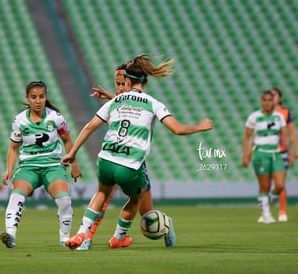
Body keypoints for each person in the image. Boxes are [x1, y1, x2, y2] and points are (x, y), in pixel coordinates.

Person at [61, 55, 213, 249]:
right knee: (135, 199)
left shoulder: (116, 101)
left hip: (106, 160)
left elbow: (90, 127)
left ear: (127, 81)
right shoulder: (153, 103)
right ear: (146, 81)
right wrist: (200, 126)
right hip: (130, 164)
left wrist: (72, 153)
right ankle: (117, 238)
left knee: (107, 196)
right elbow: (177, 129)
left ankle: (82, 234)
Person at [75, 64, 176, 250]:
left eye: (123, 83)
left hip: (134, 162)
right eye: (117, 83)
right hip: (114, 156)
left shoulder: (132, 101)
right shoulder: (117, 102)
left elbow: (135, 105)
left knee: (146, 213)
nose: (121, 87)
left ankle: (165, 224)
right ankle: (87, 237)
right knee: (104, 197)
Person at [0, 80, 82, 248]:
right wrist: (8, 170)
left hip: (53, 165)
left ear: (46, 97)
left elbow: (67, 141)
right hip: (29, 166)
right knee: (17, 195)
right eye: (34, 97)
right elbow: (14, 148)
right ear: (28, 99)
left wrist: (74, 166)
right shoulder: (20, 121)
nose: (38, 101)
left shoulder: (56, 118)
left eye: (41, 97)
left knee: (64, 200)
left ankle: (65, 239)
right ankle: (11, 235)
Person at [242, 90, 292, 224]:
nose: (267, 103)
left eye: (270, 100)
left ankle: (265, 203)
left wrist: (290, 153)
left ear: (274, 101)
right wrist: (246, 154)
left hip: (275, 153)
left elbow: (284, 136)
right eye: (265, 100)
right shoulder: (254, 117)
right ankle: (266, 214)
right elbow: (247, 137)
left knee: (280, 185)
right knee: (264, 186)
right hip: (260, 153)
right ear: (261, 102)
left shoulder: (279, 117)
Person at [263, 87, 298, 222]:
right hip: (266, 151)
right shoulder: (263, 114)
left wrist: (295, 150)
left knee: (280, 183)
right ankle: (266, 211)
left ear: (279, 98)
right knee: (266, 183)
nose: (272, 97)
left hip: (281, 151)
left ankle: (282, 211)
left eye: (274, 95)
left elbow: (291, 133)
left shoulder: (285, 113)